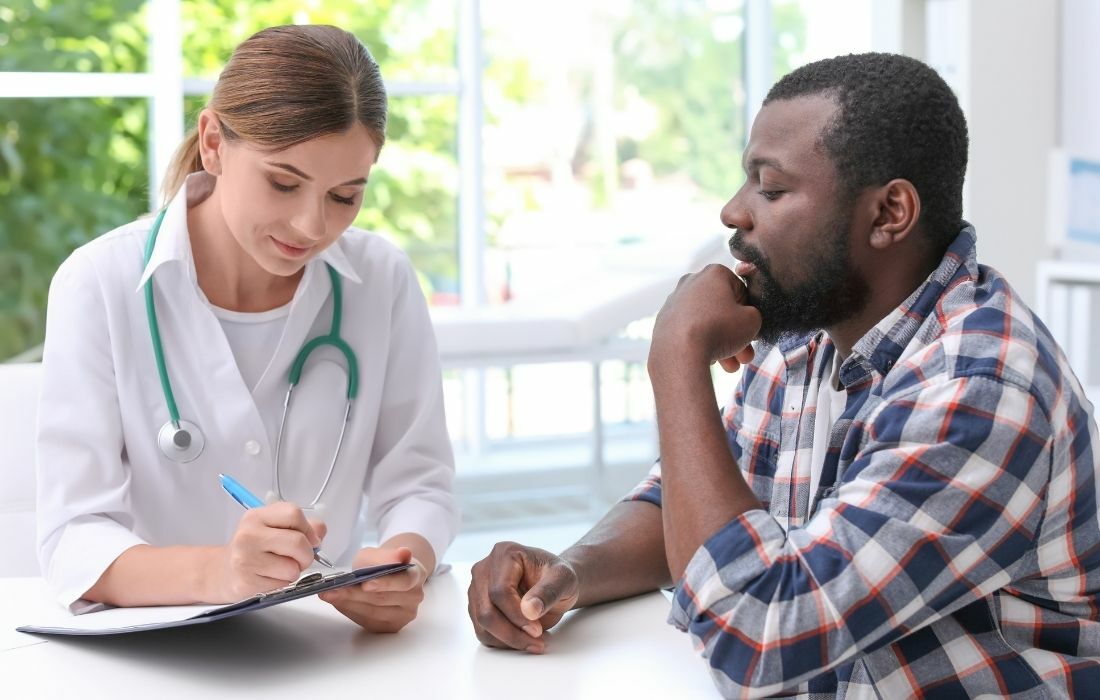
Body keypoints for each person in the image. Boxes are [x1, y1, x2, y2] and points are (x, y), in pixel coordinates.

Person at [467, 52, 1100, 696]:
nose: (732, 212)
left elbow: (757, 637)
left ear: (888, 214)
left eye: (770, 189)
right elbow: (686, 502)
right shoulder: (809, 335)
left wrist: (676, 356)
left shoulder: (980, 390)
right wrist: (569, 574)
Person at [36, 25, 458, 633]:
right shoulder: (98, 284)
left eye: (344, 195)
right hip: (158, 667)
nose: (311, 225)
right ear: (213, 142)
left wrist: (404, 565)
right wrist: (222, 573)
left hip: (332, 655)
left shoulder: (381, 280)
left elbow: (419, 483)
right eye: (283, 183)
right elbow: (72, 539)